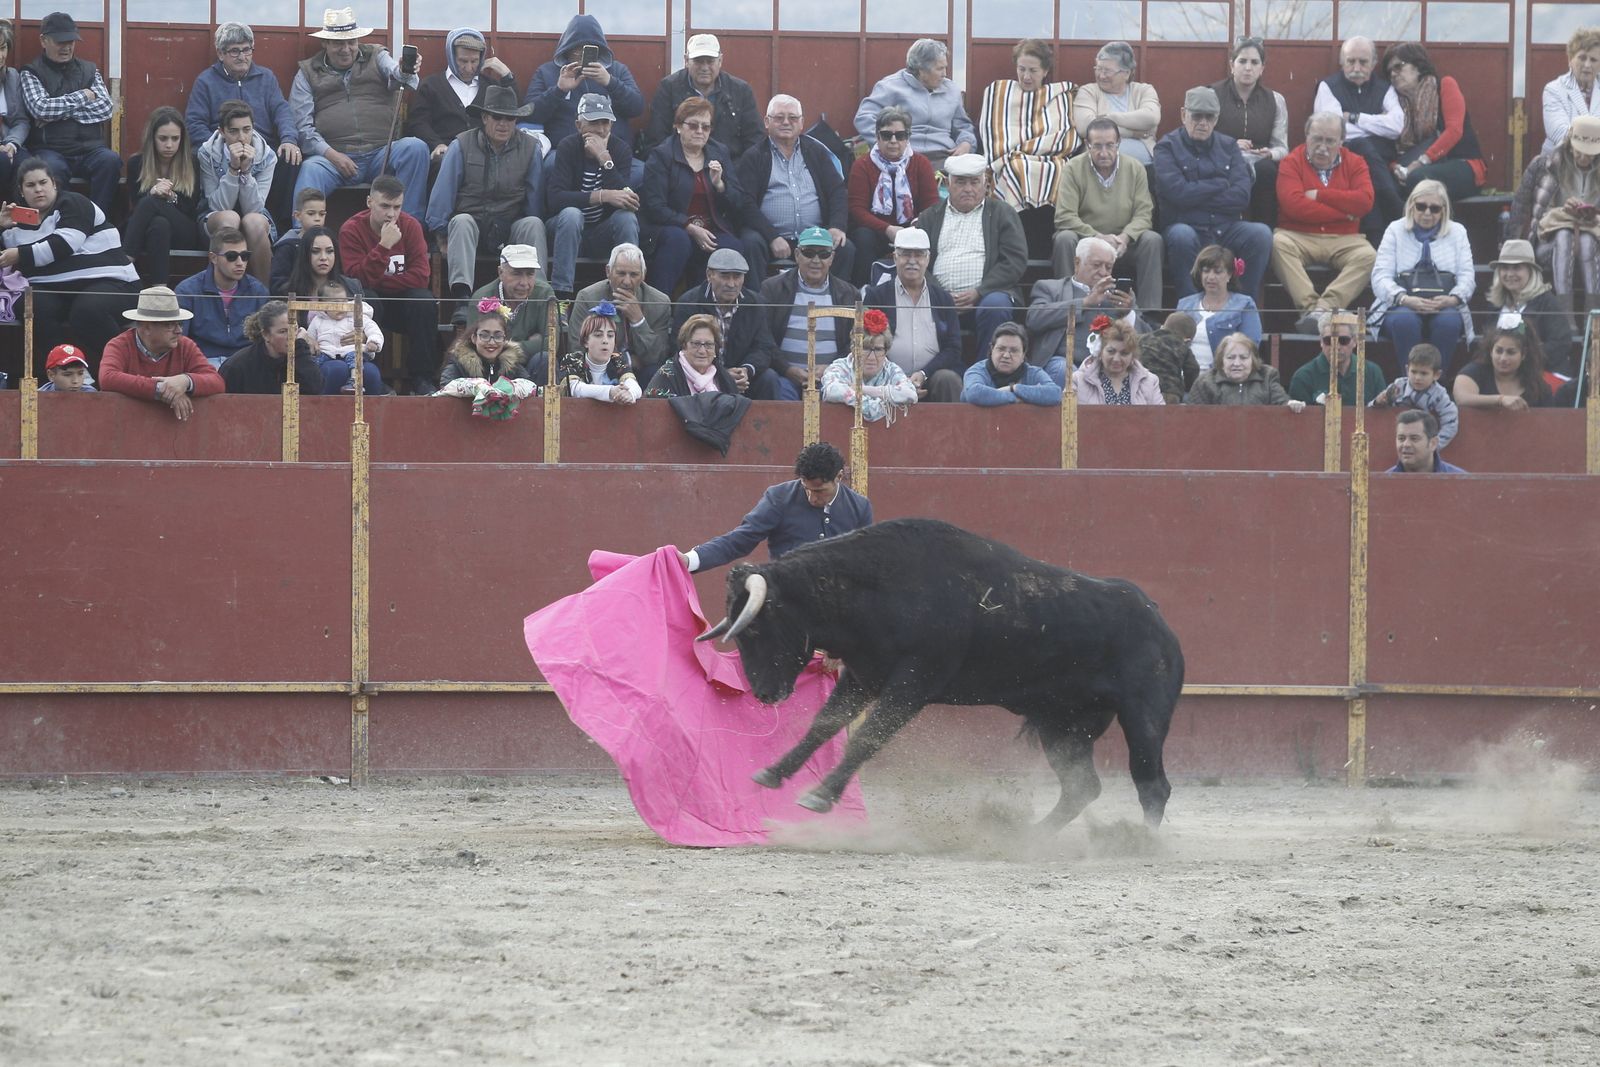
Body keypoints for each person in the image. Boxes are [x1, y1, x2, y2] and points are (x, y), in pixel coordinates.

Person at [0, 158, 138, 376]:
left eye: (43, 182)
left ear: (54, 183)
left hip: (110, 282)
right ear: (21, 190)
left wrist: (20, 254)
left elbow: (63, 244)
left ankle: (120, 374)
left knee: (87, 311)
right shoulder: (15, 224)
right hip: (53, 289)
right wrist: (0, 227)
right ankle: (55, 377)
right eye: (30, 185)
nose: (38, 189)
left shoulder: (74, 202)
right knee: (31, 306)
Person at [289, 7, 428, 220]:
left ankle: (409, 229)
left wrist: (405, 70)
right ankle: (303, 239)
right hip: (333, 159)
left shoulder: (377, 55)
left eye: (351, 42)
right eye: (338, 43)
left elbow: (398, 77)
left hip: (382, 153)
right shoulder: (307, 73)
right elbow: (302, 128)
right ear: (325, 43)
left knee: (416, 148)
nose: (346, 49)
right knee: (310, 169)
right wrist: (332, 156)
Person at [425, 84, 548, 301]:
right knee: (461, 221)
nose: (503, 123)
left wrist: (526, 222)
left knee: (533, 224)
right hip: (471, 224)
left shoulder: (531, 148)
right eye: (496, 117)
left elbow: (534, 200)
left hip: (509, 227)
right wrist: (441, 234)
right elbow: (442, 194)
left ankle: (539, 298)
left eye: (509, 118)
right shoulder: (461, 144)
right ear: (484, 118)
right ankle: (462, 298)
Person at [676, 441, 871, 572]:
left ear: (838, 477)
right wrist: (690, 560)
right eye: (806, 488)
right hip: (789, 598)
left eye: (819, 491)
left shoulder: (859, 507)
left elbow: (864, 562)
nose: (812, 497)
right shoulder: (780, 497)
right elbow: (740, 539)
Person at [1155, 86, 1272, 302]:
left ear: (1216, 119)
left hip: (1225, 228)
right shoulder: (1166, 147)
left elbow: (1240, 197)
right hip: (1186, 226)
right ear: (1183, 115)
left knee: (1260, 234)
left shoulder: (1229, 146)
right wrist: (1220, 184)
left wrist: (1195, 191)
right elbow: (1177, 193)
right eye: (1196, 116)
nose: (1203, 122)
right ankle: (1191, 312)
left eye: (1209, 117)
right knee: (1181, 236)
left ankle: (1242, 306)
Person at [185, 22, 302, 226]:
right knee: (195, 155)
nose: (242, 56)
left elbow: (282, 111)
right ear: (221, 54)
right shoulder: (206, 81)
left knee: (291, 157)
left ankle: (279, 225)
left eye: (247, 49)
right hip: (220, 148)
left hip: (262, 149)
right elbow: (194, 123)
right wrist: (221, 148)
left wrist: (289, 139)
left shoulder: (266, 77)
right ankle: (201, 222)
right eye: (235, 51)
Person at [1272, 112, 1377, 335]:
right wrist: (1345, 212)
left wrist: (1319, 195)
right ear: (1306, 136)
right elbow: (1294, 206)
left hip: (1345, 239)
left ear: (1341, 142)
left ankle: (1324, 309)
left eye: (1330, 141)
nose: (1322, 146)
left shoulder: (1356, 163)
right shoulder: (1291, 162)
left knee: (1368, 256)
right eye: (1316, 139)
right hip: (1297, 235)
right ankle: (1311, 309)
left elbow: (1365, 202)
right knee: (1276, 243)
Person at [639, 96, 755, 295]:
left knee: (731, 246)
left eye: (706, 127)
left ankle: (710, 307)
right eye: (693, 126)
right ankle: (659, 306)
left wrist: (720, 185)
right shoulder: (661, 156)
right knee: (679, 241)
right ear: (678, 126)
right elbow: (654, 206)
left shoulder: (719, 152)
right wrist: (689, 227)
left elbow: (738, 201)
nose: (700, 131)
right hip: (671, 228)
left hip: (711, 228)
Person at [915, 152, 1028, 356]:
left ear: (985, 185)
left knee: (996, 306)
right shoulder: (930, 217)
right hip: (940, 298)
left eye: (974, 182)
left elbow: (1014, 261)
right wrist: (941, 296)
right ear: (947, 185)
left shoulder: (1002, 213)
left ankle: (986, 372)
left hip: (987, 296)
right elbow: (917, 263)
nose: (968, 189)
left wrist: (980, 291)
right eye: (960, 182)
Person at [338, 175, 437, 395]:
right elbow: (356, 281)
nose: (391, 214)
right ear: (369, 202)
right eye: (384, 206)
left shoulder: (410, 227)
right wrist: (383, 246)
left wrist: (379, 280)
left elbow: (421, 278)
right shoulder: (351, 230)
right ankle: (372, 376)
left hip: (403, 303)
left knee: (424, 301)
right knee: (368, 299)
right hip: (373, 302)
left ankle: (422, 379)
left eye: (397, 207)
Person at [736, 94, 852, 282]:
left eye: (792, 118)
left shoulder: (817, 152)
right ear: (767, 122)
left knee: (845, 247)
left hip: (815, 235)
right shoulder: (754, 156)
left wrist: (836, 227)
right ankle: (759, 306)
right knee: (750, 243)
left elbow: (837, 191)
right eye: (779, 117)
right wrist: (772, 237)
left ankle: (836, 306)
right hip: (769, 236)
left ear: (801, 123)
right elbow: (746, 203)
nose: (786, 122)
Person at [1049, 117, 1161, 309]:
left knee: (1152, 240)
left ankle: (1150, 313)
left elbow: (1144, 213)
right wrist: (1097, 237)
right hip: (1086, 241)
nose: (1104, 153)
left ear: (1119, 144)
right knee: (1064, 238)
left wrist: (1125, 237)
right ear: (1088, 145)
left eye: (1110, 145)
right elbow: (1064, 216)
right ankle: (1068, 308)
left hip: (1122, 244)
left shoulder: (1135, 168)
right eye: (1097, 146)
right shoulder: (1073, 168)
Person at [1509, 115, 1600, 341]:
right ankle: (1566, 316)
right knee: (1564, 234)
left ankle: (1593, 314)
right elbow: (1520, 204)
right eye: (1579, 151)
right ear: (1570, 142)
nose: (1583, 158)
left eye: (1590, 154)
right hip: (1549, 243)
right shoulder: (1545, 164)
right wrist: (1510, 242)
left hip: (1593, 240)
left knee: (1587, 241)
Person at [20, 12, 120, 213]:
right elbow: (41, 109)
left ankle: (97, 222)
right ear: (44, 40)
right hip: (50, 149)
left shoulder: (90, 70)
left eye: (71, 41)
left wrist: (60, 114)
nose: (67, 47)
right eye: (60, 41)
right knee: (50, 169)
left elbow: (106, 108)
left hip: (91, 149)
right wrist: (83, 96)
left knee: (111, 161)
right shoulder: (31, 72)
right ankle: (57, 224)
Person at [1370, 179, 1475, 370]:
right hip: (1401, 304)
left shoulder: (1457, 232)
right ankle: (1408, 384)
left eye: (1434, 208)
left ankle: (1436, 385)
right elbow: (1380, 276)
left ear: (1443, 210)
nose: (1427, 213)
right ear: (1411, 205)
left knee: (1449, 322)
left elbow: (1467, 276)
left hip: (1444, 304)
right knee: (1405, 320)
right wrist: (1403, 299)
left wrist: (1452, 299)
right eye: (1421, 206)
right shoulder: (1395, 229)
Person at [545, 93, 639, 300]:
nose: (600, 129)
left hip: (600, 233)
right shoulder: (568, 146)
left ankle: (629, 292)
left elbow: (628, 199)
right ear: (579, 125)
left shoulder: (620, 149)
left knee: (627, 218)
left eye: (605, 122)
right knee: (571, 214)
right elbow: (555, 199)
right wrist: (601, 196)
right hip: (565, 231)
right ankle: (561, 296)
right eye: (594, 122)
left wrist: (604, 159)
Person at [1313, 35, 1405, 239]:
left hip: (1381, 161)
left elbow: (1397, 126)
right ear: (1341, 63)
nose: (1356, 67)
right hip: (1345, 160)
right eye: (1350, 61)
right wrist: (1378, 122)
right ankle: (1397, 210)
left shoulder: (1385, 89)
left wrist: (1354, 118)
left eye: (1363, 62)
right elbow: (1333, 130)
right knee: (1363, 147)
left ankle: (1376, 237)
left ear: (1373, 64)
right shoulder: (1328, 87)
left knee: (1367, 170)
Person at [523, 15, 644, 163]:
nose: (581, 54)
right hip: (564, 154)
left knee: (641, 173)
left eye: (588, 49)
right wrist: (559, 90)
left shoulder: (617, 70)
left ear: (599, 50)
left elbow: (637, 108)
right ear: (566, 49)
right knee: (551, 165)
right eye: (575, 49)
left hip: (613, 151)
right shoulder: (547, 72)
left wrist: (610, 82)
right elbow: (529, 113)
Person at [862, 227, 963, 402]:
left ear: (928, 259)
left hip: (930, 377)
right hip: (887, 377)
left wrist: (924, 374)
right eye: (905, 255)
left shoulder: (942, 298)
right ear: (895, 257)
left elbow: (953, 348)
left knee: (948, 379)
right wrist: (899, 380)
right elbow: (867, 343)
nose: (912, 261)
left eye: (919, 255)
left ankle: (954, 430)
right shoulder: (876, 295)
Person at [671, 247, 785, 400]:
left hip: (742, 379)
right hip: (698, 375)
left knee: (769, 379)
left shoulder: (756, 303)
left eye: (737, 276)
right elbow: (679, 348)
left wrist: (746, 370)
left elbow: (764, 347)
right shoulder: (689, 302)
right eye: (725, 276)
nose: (731, 284)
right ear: (709, 275)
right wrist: (721, 374)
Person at [979, 38, 1077, 214]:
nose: (1026, 76)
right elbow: (993, 135)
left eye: (1033, 71)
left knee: (1060, 171)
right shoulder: (999, 92)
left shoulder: (1060, 95)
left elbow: (1065, 136)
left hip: (1051, 160)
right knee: (1016, 168)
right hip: (1009, 161)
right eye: (1021, 69)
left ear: (1045, 71)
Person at [761, 226, 861, 397]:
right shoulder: (773, 288)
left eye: (823, 254)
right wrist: (787, 369)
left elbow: (855, 342)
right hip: (784, 377)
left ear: (832, 258)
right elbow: (764, 337)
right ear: (797, 255)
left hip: (832, 379)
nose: (816, 260)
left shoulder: (849, 293)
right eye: (809, 253)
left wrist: (832, 368)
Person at [97, 285, 225, 418]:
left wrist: (184, 381)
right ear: (146, 328)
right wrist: (163, 389)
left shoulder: (185, 345)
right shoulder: (119, 345)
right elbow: (107, 378)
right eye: (169, 325)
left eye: (180, 323)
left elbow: (217, 382)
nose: (179, 330)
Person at [1381, 43, 1485, 205]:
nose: (1393, 74)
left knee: (1418, 179)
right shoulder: (1395, 104)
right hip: (1414, 166)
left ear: (1418, 66)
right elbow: (1390, 146)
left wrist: (1421, 162)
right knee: (1387, 183)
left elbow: (1454, 131)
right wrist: (1395, 167)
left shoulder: (1444, 85)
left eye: (1398, 67)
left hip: (1462, 164)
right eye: (1389, 72)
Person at [847, 105, 939, 285]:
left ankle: (929, 290)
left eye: (900, 135)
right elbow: (857, 209)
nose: (894, 141)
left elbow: (932, 205)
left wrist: (915, 225)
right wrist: (887, 229)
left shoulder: (920, 163)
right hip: (876, 231)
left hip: (913, 229)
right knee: (862, 237)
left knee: (931, 235)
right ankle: (864, 291)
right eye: (887, 135)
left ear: (908, 138)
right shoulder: (862, 165)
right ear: (877, 137)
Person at [854, 39, 976, 172]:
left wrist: (966, 143)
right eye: (940, 69)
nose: (945, 74)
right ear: (921, 70)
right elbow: (864, 117)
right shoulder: (890, 87)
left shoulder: (952, 90)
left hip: (945, 157)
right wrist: (889, 144)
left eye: (945, 67)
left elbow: (964, 126)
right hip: (903, 157)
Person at [1028, 235, 1138, 380]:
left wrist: (1127, 314)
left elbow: (1142, 339)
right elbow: (1034, 319)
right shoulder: (1050, 288)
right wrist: (1086, 302)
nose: (1104, 272)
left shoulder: (1120, 298)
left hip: (1108, 364)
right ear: (1077, 263)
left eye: (1108, 267)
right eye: (1097, 265)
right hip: (1063, 362)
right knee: (1064, 370)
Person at [638, 33, 760, 161]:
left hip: (730, 167)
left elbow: (754, 141)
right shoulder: (668, 88)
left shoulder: (741, 90)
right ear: (686, 60)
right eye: (698, 61)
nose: (705, 67)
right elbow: (656, 139)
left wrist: (732, 174)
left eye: (710, 61)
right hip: (679, 167)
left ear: (720, 61)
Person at [405, 28, 517, 161]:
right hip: (445, 155)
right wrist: (436, 144)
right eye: (463, 61)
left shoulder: (491, 86)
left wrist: (507, 76)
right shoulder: (430, 85)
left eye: (474, 61)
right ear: (452, 57)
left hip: (486, 156)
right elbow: (418, 122)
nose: (469, 68)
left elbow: (514, 112)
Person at [567, 244, 672, 383]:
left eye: (634, 274)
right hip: (599, 370)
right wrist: (625, 361)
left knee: (654, 372)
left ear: (643, 275)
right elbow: (577, 348)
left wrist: (638, 320)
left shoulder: (660, 302)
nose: (627, 281)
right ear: (608, 272)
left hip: (642, 373)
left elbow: (657, 356)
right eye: (621, 273)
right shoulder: (587, 297)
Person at [197, 100, 276, 285]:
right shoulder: (207, 153)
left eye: (247, 130)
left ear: (253, 128)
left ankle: (262, 296)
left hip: (254, 214)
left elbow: (255, 208)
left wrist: (247, 172)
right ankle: (221, 289)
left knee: (254, 221)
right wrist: (233, 169)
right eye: (233, 131)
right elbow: (216, 206)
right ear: (222, 132)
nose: (242, 138)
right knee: (229, 218)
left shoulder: (267, 156)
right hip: (214, 217)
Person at [1211, 36, 1287, 227]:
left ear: (1262, 68)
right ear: (1232, 65)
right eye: (1242, 61)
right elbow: (1199, 137)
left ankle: (1264, 234)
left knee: (1267, 171)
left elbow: (1282, 147)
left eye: (1254, 62)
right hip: (1221, 158)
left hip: (1260, 163)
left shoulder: (1275, 100)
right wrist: (1230, 145)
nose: (1248, 67)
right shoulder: (1212, 95)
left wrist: (1269, 153)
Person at [124, 106, 205, 285]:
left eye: (175, 139)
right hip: (148, 231)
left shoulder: (192, 162)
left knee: (151, 203)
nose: (169, 145)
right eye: (163, 138)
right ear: (152, 138)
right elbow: (137, 208)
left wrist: (169, 196)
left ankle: (125, 261)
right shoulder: (137, 163)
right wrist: (152, 192)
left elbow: (191, 208)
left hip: (184, 231)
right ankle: (160, 289)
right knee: (159, 224)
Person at [175, 227, 271, 367]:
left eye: (245, 256)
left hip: (246, 363)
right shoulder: (187, 291)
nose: (240, 263)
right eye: (231, 256)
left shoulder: (258, 291)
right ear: (213, 258)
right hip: (202, 361)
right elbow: (180, 340)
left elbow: (265, 339)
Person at [1482, 238, 1573, 375]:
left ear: (1531, 271)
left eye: (1517, 268)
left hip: (1540, 374)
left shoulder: (1547, 302)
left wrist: (1522, 361)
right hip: (1501, 375)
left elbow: (1561, 344)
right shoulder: (1495, 305)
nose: (1510, 274)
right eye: (1505, 268)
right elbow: (1486, 344)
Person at [467, 244, 555, 381]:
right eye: (517, 273)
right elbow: (473, 345)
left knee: (544, 359)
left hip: (531, 367)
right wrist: (529, 344)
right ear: (500, 272)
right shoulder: (482, 297)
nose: (524, 283)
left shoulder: (544, 293)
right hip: (492, 368)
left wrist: (501, 345)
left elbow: (551, 343)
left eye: (530, 274)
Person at [819, 308, 917, 422]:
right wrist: (869, 406)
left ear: (886, 351)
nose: (871, 357)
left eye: (878, 350)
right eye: (865, 348)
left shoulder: (891, 369)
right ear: (853, 349)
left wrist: (863, 390)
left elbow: (910, 394)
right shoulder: (840, 367)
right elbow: (832, 390)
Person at [1070, 41, 1159, 166]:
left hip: (1145, 167)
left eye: (1107, 71)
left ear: (1126, 73)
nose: (1101, 75)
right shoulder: (1088, 91)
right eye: (1098, 69)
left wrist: (1109, 118)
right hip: (1098, 167)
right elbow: (1085, 127)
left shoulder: (1144, 90)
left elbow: (1151, 118)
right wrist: (1133, 133)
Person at [1177, 244, 1262, 372]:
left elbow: (1250, 348)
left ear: (1229, 275)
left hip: (1222, 381)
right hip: (1184, 381)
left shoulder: (1245, 304)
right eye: (1206, 271)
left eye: (1217, 272)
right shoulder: (1184, 304)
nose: (1211, 277)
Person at [219, 300, 324, 395]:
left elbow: (316, 391)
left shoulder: (302, 358)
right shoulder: (236, 366)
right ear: (266, 334)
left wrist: (300, 350)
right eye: (283, 331)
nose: (292, 336)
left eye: (294, 329)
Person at [1369, 342, 1459, 448]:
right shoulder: (1398, 386)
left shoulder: (1439, 395)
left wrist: (1434, 446)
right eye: (1414, 372)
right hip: (1394, 441)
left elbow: (1451, 422)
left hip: (1423, 443)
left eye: (1423, 373)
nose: (1417, 378)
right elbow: (1370, 411)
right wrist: (1377, 402)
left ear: (1436, 375)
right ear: (1407, 370)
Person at [1183, 332, 1304, 410]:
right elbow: (1192, 416)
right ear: (1221, 360)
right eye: (1230, 357)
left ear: (1253, 359)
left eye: (1243, 357)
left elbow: (1281, 402)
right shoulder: (1206, 382)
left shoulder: (1267, 376)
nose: (1237, 363)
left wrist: (1291, 405)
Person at [1289, 310, 1387, 405]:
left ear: (1355, 341)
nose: (1336, 346)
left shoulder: (1372, 373)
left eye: (1343, 340)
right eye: (1329, 340)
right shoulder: (1303, 377)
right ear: (1321, 342)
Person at [305, 278, 385, 394]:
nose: (341, 306)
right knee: (316, 365)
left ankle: (354, 382)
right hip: (327, 353)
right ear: (324, 305)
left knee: (366, 368)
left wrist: (373, 341)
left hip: (352, 351)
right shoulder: (318, 320)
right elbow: (310, 337)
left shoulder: (356, 315)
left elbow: (373, 329)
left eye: (343, 301)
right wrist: (311, 343)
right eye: (335, 303)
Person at [1452, 325, 1555, 410]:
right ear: (1491, 351)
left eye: (1511, 352)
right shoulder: (1474, 371)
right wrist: (1501, 400)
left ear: (1523, 355)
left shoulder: (1538, 386)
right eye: (1499, 351)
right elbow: (1462, 399)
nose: (1503, 358)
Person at [963, 321, 1062, 407]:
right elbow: (974, 393)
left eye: (1014, 351)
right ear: (992, 349)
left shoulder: (1033, 373)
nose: (1006, 355)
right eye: (1001, 349)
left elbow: (1055, 394)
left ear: (1023, 355)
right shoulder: (977, 370)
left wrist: (1014, 388)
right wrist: (1013, 398)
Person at [558, 302, 640, 403]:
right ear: (585, 341)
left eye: (610, 336)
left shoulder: (617, 360)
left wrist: (630, 394)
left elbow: (633, 384)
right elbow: (574, 389)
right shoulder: (573, 359)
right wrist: (610, 391)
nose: (605, 340)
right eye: (598, 335)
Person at [438, 306, 535, 389]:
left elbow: (530, 388)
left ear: (504, 339)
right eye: (484, 335)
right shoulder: (458, 364)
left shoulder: (513, 366)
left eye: (498, 336)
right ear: (474, 338)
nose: (491, 342)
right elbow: (446, 389)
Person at [1072, 317, 1162, 405]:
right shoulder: (1078, 381)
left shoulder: (1150, 382)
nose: (1116, 359)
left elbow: (1162, 418)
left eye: (1124, 353)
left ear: (1132, 356)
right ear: (1100, 351)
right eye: (1111, 351)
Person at [645, 313, 737, 397]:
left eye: (708, 344)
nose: (702, 351)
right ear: (684, 346)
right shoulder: (666, 376)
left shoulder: (724, 378)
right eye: (696, 344)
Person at [1542, 28, 1600, 153]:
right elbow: (1560, 133)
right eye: (1582, 58)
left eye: (1593, 60)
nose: (1587, 65)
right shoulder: (1554, 89)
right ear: (1570, 60)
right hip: (1560, 165)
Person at [277, 224, 362, 307]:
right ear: (305, 254)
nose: (323, 257)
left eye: (329, 251)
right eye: (315, 251)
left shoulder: (352, 287)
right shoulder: (288, 291)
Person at [270, 188, 326, 293]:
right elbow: (277, 286)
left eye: (322, 214)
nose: (317, 218)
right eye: (311, 213)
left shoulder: (329, 243)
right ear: (297, 216)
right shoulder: (286, 247)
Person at [1138, 312, 1201, 404]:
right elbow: (1193, 369)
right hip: (1168, 391)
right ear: (1187, 340)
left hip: (1141, 386)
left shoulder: (1143, 339)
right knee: (1166, 416)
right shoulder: (1182, 345)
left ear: (1163, 326)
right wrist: (1188, 386)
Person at [0, 20, 32, 199]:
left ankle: (19, 223)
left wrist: (11, 145)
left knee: (28, 167)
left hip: (10, 145)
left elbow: (21, 120)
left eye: (3, 48)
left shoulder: (12, 77)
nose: (0, 55)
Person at [1389, 409, 1466, 472]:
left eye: (1414, 438)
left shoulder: (1460, 480)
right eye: (1401, 438)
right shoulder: (1384, 483)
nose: (1406, 444)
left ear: (1433, 443)